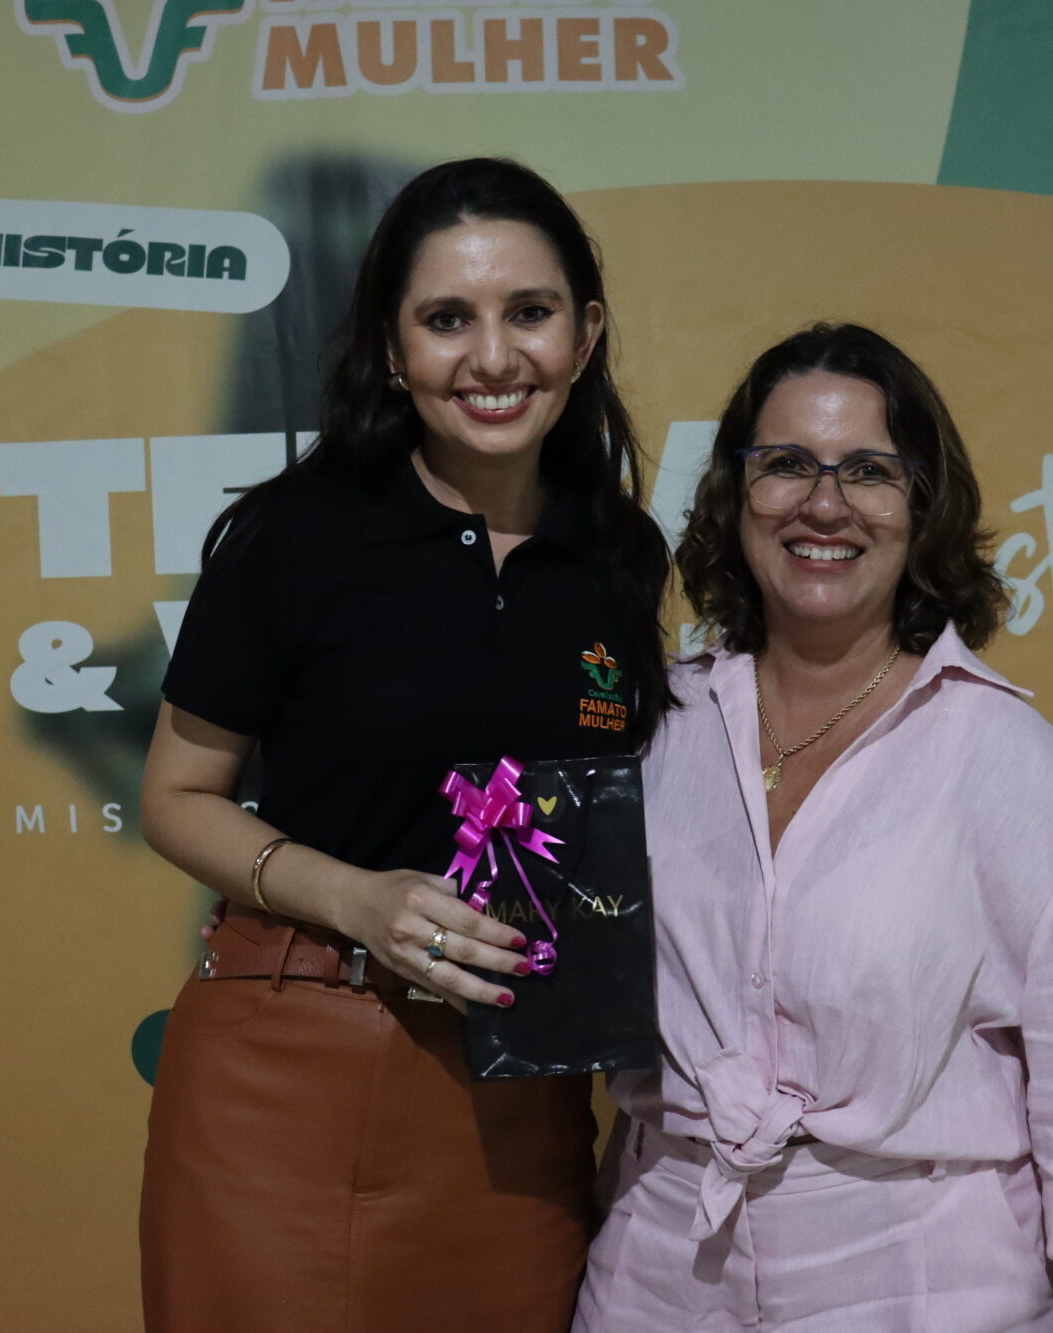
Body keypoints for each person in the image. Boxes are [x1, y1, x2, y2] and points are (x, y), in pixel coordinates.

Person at [574, 324, 1053, 1333]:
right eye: (786, 463)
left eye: (868, 471)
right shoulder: (653, 729)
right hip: (656, 1277)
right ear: (733, 494)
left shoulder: (1013, 766)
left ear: (923, 506)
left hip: (922, 1281)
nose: (824, 503)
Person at [138, 157, 672, 1333]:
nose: (493, 358)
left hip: (521, 1098)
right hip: (289, 1062)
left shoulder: (619, 557)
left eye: (528, 313)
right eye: (446, 320)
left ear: (583, 335)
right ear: (391, 349)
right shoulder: (295, 535)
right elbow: (175, 794)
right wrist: (358, 899)